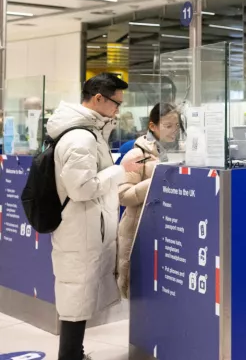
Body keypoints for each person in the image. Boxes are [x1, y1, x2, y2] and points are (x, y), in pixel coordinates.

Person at [47, 73, 144, 360]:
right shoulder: (80, 138)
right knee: (76, 297)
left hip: (84, 227)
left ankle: (74, 353)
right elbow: (81, 188)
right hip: (79, 228)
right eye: (116, 103)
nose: (118, 110)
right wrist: (120, 169)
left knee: (78, 294)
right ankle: (70, 356)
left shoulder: (87, 132)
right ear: (98, 98)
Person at [117, 102, 182, 299]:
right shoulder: (137, 155)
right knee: (138, 289)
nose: (174, 131)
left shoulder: (183, 152)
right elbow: (123, 195)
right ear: (153, 127)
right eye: (168, 126)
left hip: (169, 230)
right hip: (138, 229)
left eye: (177, 126)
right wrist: (155, 182)